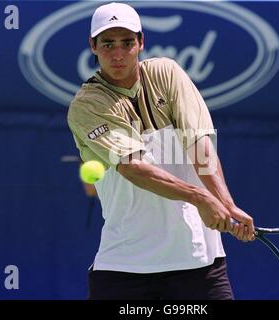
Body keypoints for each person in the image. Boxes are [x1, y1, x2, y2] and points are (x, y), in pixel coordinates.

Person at [67, 2, 255, 300]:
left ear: (141, 42)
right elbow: (133, 167)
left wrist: (226, 203)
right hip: (125, 268)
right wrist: (200, 197)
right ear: (93, 46)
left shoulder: (167, 74)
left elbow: (200, 143)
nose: (117, 54)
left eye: (127, 42)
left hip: (199, 261)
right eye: (108, 44)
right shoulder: (87, 104)